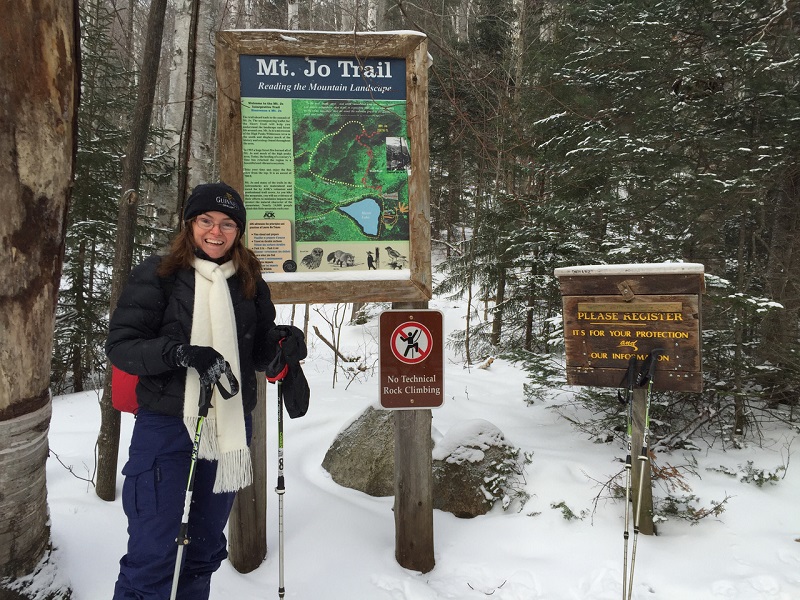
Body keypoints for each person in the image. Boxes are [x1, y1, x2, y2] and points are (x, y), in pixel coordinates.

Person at [106, 182, 302, 599]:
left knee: (203, 550)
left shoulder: (248, 279)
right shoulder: (158, 275)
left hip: (229, 429)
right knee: (153, 552)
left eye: (227, 223)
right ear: (190, 224)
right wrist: (180, 353)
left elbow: (259, 347)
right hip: (166, 426)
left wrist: (282, 342)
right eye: (206, 221)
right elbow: (121, 347)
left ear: (238, 230)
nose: (216, 232)